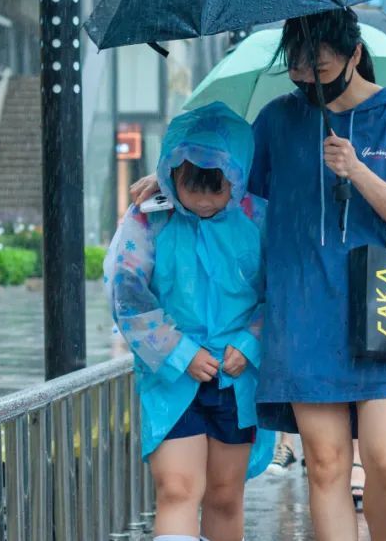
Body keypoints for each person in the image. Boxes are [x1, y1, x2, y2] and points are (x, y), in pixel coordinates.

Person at [132, 8, 386, 541]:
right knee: (325, 464)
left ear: (354, 56)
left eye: (319, 68)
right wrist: (164, 176)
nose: (308, 81)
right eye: (297, 70)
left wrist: (357, 170)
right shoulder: (277, 119)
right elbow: (219, 177)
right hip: (302, 312)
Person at [107, 102, 269, 541]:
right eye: (189, 184)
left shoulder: (259, 217)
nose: (200, 199)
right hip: (170, 379)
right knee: (177, 489)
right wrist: (179, 351)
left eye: (214, 188)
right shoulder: (149, 215)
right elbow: (125, 290)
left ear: (235, 180)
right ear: (169, 172)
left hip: (236, 379)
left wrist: (250, 344)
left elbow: (282, 293)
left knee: (223, 494)